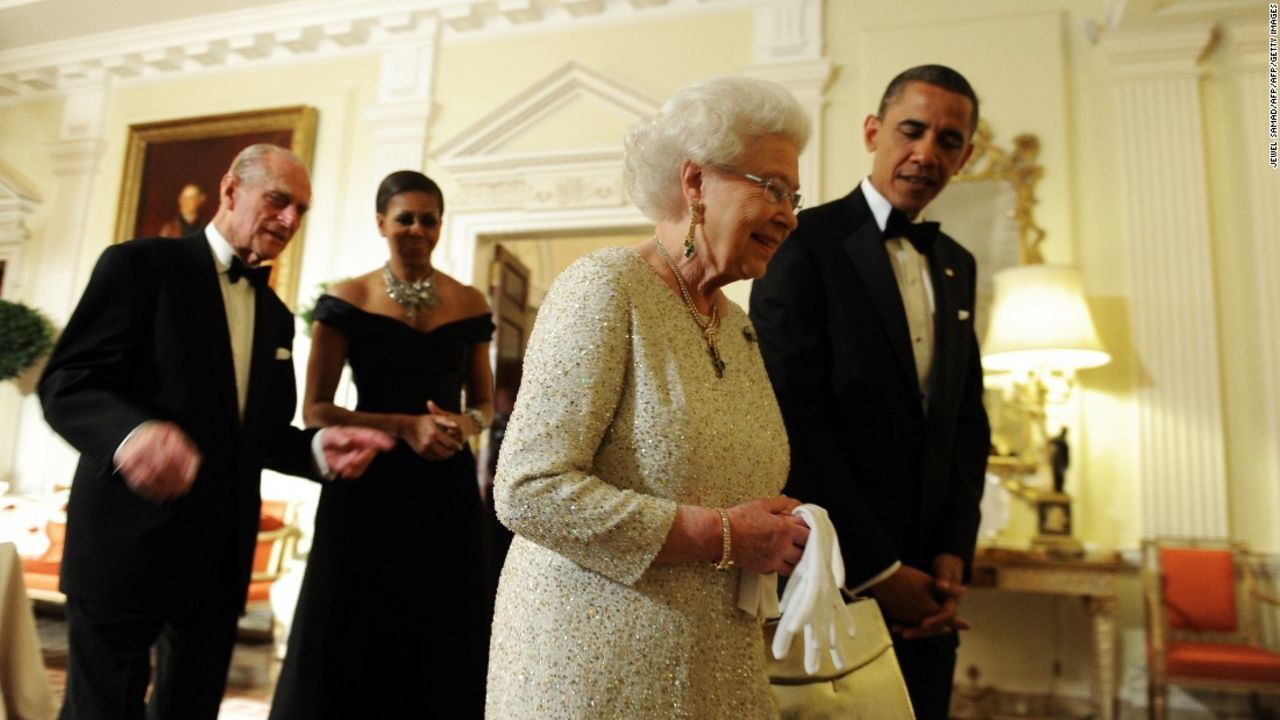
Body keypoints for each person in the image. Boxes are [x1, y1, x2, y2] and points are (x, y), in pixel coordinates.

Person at [486, 76, 812, 719]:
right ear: (695, 183)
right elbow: (526, 488)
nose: (789, 215)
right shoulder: (604, 288)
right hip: (595, 668)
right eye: (771, 188)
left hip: (716, 666)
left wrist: (777, 531)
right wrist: (722, 534)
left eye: (794, 196)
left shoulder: (738, 325)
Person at [38, 143, 394, 720]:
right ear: (230, 191)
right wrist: (133, 434)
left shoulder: (276, 316)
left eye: (301, 210)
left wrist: (316, 450)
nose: (290, 220)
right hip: (125, 547)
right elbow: (68, 383)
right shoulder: (138, 266)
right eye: (279, 201)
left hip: (217, 559)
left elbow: (258, 434)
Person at [749, 64, 992, 719]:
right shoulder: (802, 244)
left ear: (964, 156)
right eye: (911, 130)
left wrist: (950, 556)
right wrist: (880, 570)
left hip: (929, 580)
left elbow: (966, 420)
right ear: (872, 131)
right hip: (833, 570)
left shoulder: (957, 264)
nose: (926, 152)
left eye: (948, 140)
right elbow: (793, 418)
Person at [269, 170, 495, 719]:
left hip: (444, 487)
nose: (417, 229)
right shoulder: (346, 300)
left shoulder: (468, 303)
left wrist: (462, 426)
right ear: (380, 223)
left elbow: (485, 403)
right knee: (352, 621)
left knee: (442, 621)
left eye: (429, 219)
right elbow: (316, 409)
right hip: (365, 481)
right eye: (405, 218)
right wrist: (404, 426)